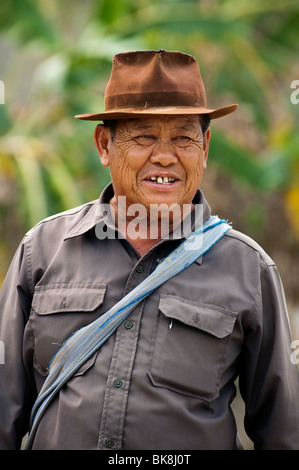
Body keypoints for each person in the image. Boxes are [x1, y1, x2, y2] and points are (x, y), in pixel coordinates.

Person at [0, 49, 298, 451]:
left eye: (183, 138)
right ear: (105, 144)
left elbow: (284, 431)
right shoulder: (42, 250)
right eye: (143, 137)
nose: (164, 155)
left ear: (205, 148)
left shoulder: (248, 268)